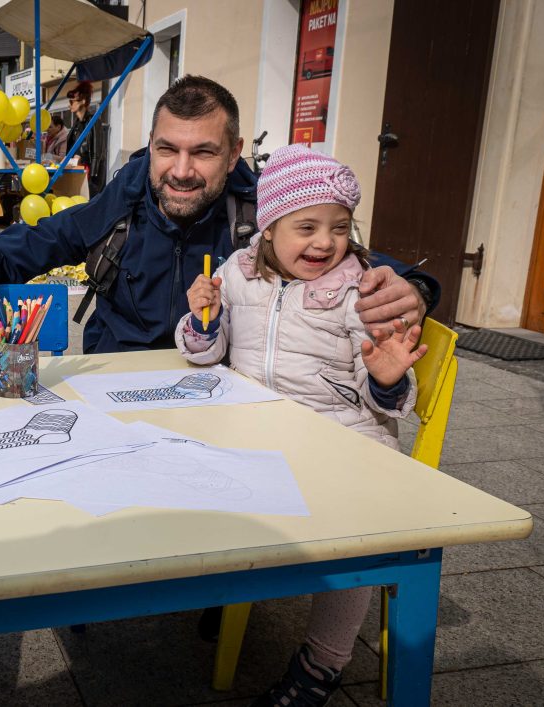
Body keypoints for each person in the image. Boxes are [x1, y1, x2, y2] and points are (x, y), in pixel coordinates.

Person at [0, 75, 438, 374]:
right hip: (111, 398)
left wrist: (412, 288)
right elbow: (19, 246)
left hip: (222, 407)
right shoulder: (118, 207)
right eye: (168, 149)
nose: (182, 171)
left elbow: (350, 254)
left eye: (203, 152)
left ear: (233, 154)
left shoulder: (262, 215)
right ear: (152, 146)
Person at [177, 144, 425, 707]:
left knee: (354, 541)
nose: (325, 242)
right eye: (306, 226)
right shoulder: (237, 274)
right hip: (258, 432)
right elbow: (203, 355)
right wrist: (202, 320)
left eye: (339, 227)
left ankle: (324, 663)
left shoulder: (357, 289)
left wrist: (387, 378)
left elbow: (383, 400)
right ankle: (222, 586)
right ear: (267, 229)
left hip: (345, 442)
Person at [66, 81, 105, 195]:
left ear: (83, 101)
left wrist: (93, 177)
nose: (69, 104)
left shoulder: (93, 121)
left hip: (90, 174)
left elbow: (96, 153)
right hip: (77, 171)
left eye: (72, 101)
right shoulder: (77, 124)